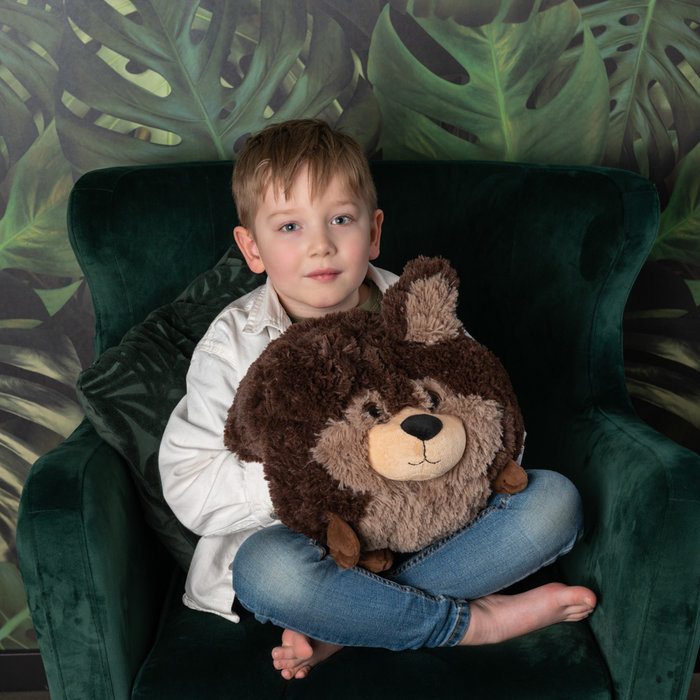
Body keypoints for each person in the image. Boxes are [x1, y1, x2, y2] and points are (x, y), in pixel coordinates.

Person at [159, 118, 596, 682]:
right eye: (289, 226)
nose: (320, 244)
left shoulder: (418, 310)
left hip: (435, 531)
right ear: (252, 248)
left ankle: (345, 626)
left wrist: (437, 454)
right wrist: (316, 473)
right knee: (269, 573)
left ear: (374, 232)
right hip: (316, 548)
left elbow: (496, 422)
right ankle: (470, 624)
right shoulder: (231, 343)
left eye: (340, 219)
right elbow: (190, 487)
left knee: (555, 501)